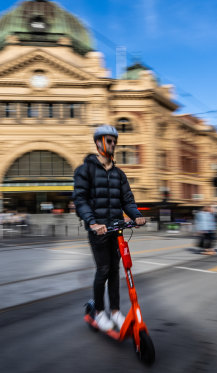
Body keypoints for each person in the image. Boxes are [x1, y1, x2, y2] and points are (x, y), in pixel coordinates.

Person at [73, 124, 146, 332]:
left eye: (115, 141)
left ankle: (115, 312)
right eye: (109, 140)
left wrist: (137, 216)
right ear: (98, 142)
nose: (113, 144)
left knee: (115, 271)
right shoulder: (84, 170)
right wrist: (92, 222)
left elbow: (127, 200)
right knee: (103, 269)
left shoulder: (119, 174)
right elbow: (80, 200)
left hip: (117, 228)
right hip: (98, 230)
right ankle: (98, 312)